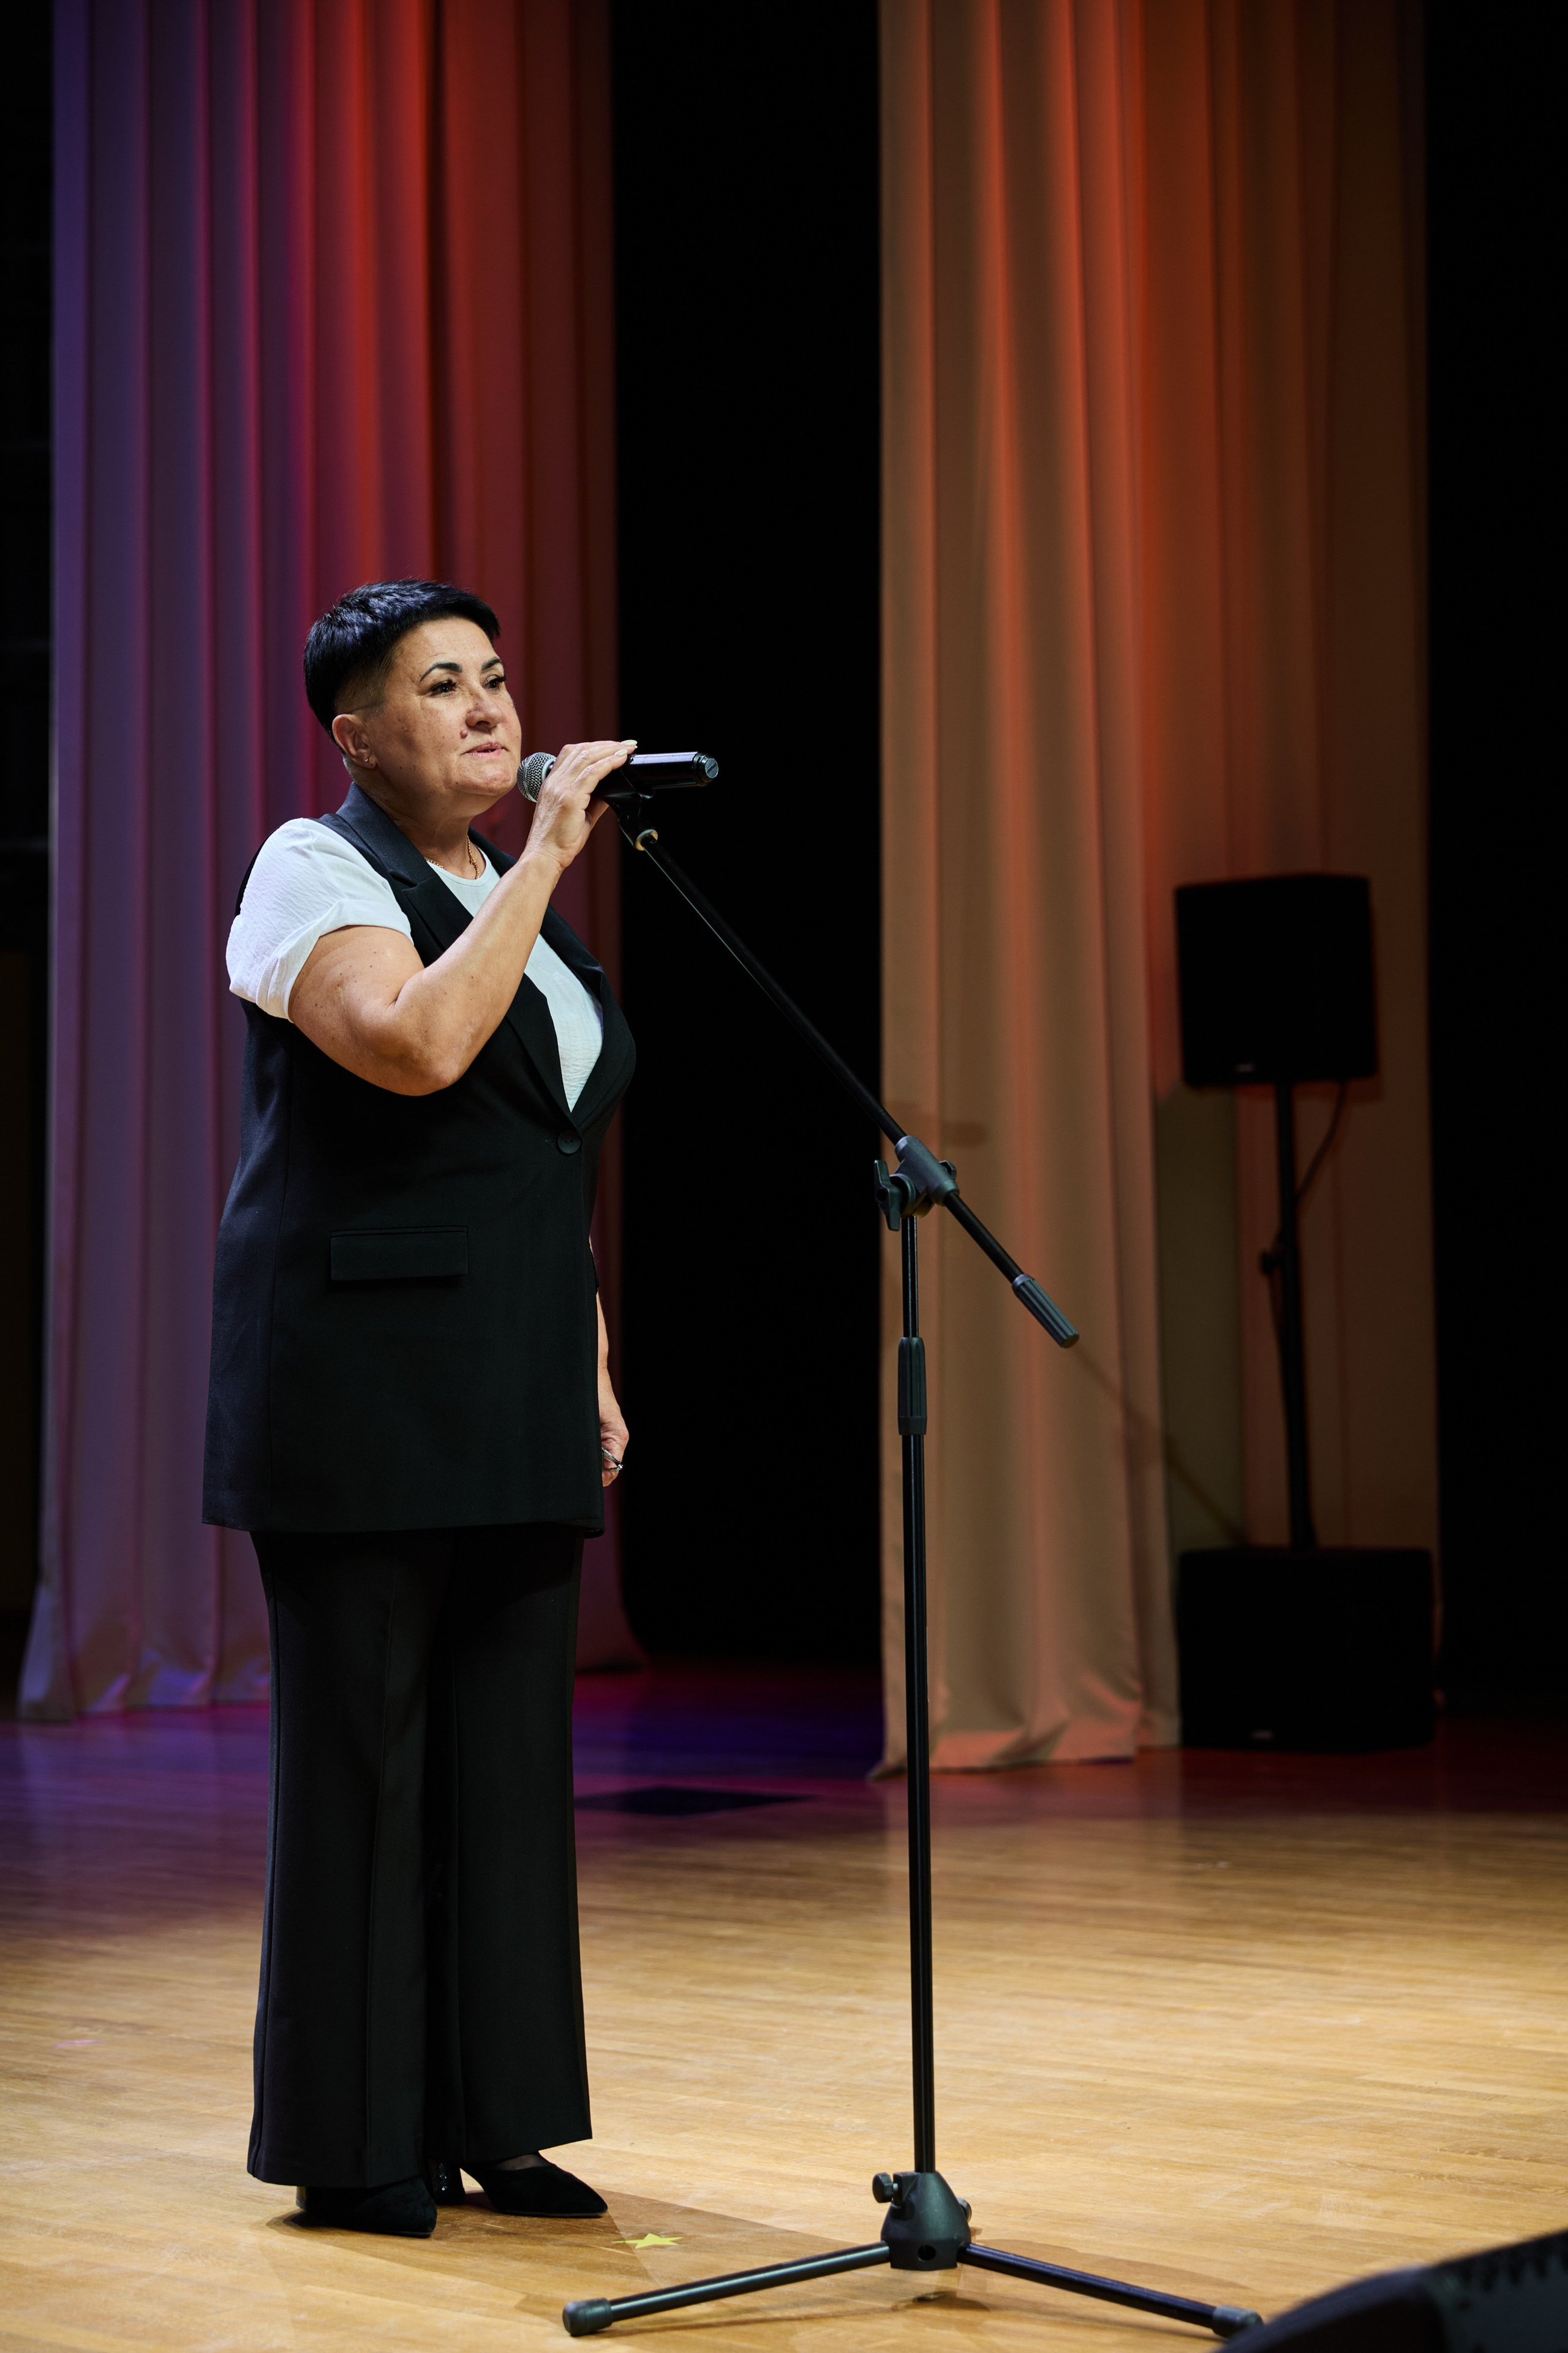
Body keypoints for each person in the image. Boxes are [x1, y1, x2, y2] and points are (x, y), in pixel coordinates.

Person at [203, 578, 636, 2238]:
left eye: (498, 677)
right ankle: (354, 2137)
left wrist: (586, 1343)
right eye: (438, 684)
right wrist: (539, 861)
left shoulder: (502, 884)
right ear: (355, 733)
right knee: (367, 1766)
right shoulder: (311, 869)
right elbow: (414, 1049)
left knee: (510, 1765)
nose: (486, 708)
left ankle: (502, 2116)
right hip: (360, 1383)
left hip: (514, 1371)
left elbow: (542, 1145)